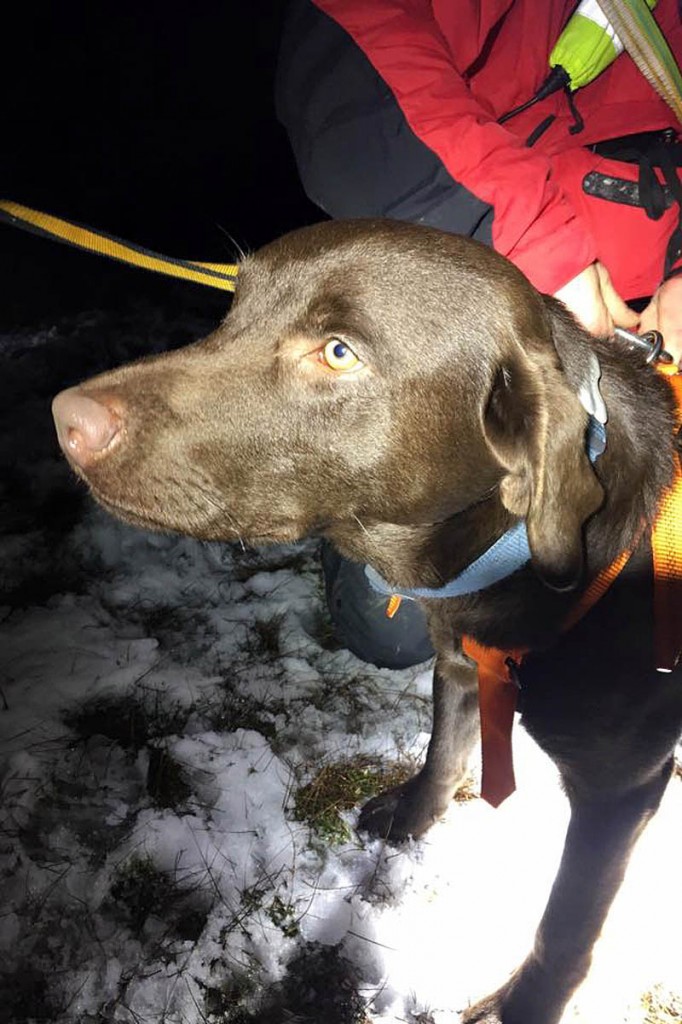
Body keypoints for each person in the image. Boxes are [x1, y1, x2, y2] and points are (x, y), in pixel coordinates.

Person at [275, 0, 682, 668]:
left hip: (641, 330)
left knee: (625, 583)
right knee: (402, 633)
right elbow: (352, 77)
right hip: (475, 277)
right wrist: (543, 252)